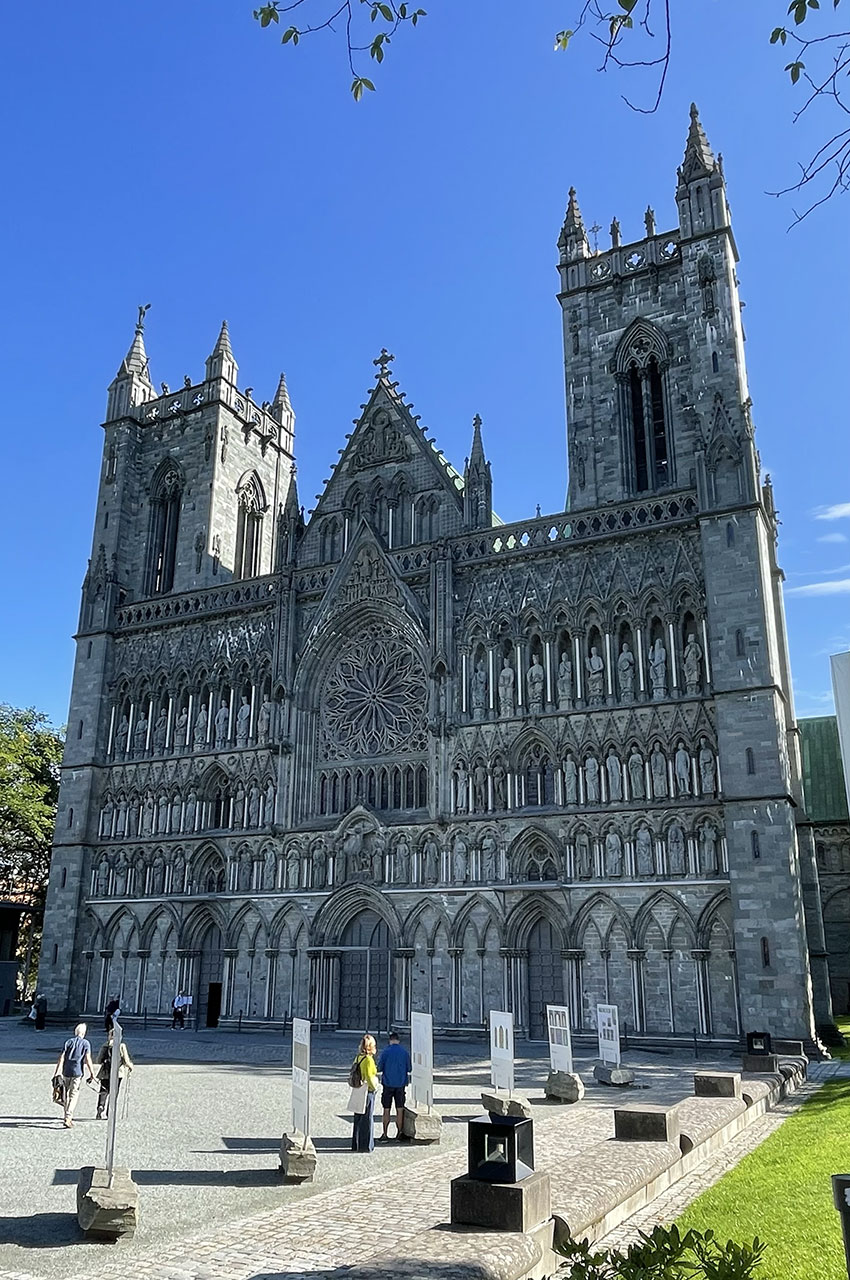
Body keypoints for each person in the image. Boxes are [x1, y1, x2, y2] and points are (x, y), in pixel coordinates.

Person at [53, 1022, 96, 1128]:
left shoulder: (68, 1042)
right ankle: (68, 1117)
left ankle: (66, 1115)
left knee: (64, 1094)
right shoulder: (85, 1043)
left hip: (66, 1071)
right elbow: (87, 1059)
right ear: (84, 1033)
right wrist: (92, 1073)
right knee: (73, 1095)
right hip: (77, 1073)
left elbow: (61, 1057)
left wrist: (56, 1071)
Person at [377, 1030, 412, 1141]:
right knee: (399, 1109)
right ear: (398, 1040)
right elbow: (410, 1068)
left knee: (386, 1109)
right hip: (401, 1084)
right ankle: (399, 1133)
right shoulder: (404, 1052)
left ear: (390, 1040)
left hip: (388, 1084)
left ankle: (385, 1134)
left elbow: (379, 1068)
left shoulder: (385, 1052)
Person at [95, 1027, 134, 1119]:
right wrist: (131, 1067)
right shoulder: (121, 1046)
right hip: (117, 1073)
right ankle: (110, 1113)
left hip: (105, 1072)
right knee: (114, 1093)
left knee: (103, 1091)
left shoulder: (105, 1045)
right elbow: (126, 1060)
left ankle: (101, 1106)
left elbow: (98, 1060)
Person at [350, 1034, 379, 1153]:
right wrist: (374, 1088)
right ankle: (366, 1145)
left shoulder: (358, 1057)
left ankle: (355, 1143)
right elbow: (369, 1077)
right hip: (366, 1090)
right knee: (367, 1118)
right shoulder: (368, 1060)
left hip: (357, 1088)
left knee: (358, 1117)